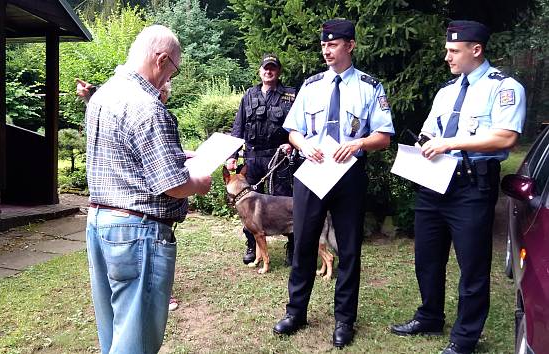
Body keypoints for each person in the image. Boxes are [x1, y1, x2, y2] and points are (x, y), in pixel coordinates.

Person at [390, 20, 526, 354]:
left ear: (475, 50)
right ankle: (430, 315)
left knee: (473, 264)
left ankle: (465, 337)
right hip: (434, 181)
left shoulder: (504, 88)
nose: (447, 57)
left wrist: (448, 143)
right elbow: (428, 131)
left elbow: (505, 136)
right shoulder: (446, 91)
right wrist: (423, 143)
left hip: (471, 186)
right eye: (447, 50)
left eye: (453, 51)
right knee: (428, 258)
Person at [84, 25, 211, 354]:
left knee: (114, 332)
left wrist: (177, 155)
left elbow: (125, 154)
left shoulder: (103, 96)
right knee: (135, 341)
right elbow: (173, 185)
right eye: (174, 69)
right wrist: (200, 182)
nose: (172, 77)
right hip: (137, 233)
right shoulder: (148, 106)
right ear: (162, 59)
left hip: (99, 223)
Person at [272, 19, 394, 349]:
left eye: (334, 44)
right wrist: (302, 144)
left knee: (349, 248)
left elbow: (383, 136)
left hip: (348, 175)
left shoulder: (370, 87)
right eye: (324, 45)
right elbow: (293, 130)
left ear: (350, 46)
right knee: (303, 244)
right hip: (312, 173)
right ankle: (296, 312)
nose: (327, 50)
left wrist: (357, 144)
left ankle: (344, 319)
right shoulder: (310, 86)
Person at [225, 53, 297, 266]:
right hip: (253, 157)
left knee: (285, 204)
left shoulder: (290, 96)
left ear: (278, 71)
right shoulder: (249, 95)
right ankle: (251, 244)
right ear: (260, 71)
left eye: (273, 68)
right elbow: (238, 128)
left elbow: (299, 127)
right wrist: (232, 156)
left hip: (279, 157)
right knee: (246, 205)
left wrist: (292, 144)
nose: (268, 71)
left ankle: (291, 249)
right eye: (265, 67)